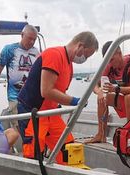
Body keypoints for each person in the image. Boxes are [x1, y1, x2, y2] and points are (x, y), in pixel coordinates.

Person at [17, 31, 99, 164]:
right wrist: (74, 101)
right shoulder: (54, 55)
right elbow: (47, 91)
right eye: (86, 55)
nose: (84, 59)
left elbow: (59, 92)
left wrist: (73, 101)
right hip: (33, 113)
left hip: (51, 113)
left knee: (70, 149)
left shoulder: (69, 65)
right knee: (34, 155)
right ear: (80, 46)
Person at [87, 41, 130, 143]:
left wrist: (117, 89)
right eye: (108, 61)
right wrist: (99, 92)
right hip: (125, 101)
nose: (110, 63)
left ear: (119, 54)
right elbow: (94, 84)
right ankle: (101, 135)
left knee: (129, 97)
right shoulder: (110, 66)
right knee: (103, 98)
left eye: (111, 60)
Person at [0, 24, 40, 130]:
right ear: (22, 35)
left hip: (31, 97)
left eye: (34, 39)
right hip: (15, 97)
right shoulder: (9, 49)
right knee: (18, 125)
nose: (32, 42)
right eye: (29, 38)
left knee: (33, 125)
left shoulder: (36, 52)